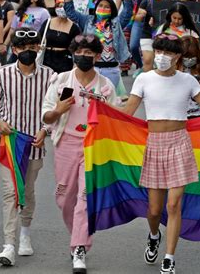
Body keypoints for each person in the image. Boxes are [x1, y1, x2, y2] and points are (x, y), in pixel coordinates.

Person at [117, 33, 200, 274]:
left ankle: (169, 257)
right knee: (153, 210)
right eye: (159, 51)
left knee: (173, 205)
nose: (162, 56)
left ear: (178, 56)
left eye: (169, 53)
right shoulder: (144, 79)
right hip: (155, 144)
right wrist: (100, 106)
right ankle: (153, 235)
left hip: (180, 143)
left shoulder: (187, 81)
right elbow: (127, 111)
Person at [41, 34, 118, 274]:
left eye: (89, 53)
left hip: (93, 146)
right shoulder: (62, 80)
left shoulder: (105, 86)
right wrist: (58, 110)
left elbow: (116, 117)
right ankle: (77, 235)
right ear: (73, 54)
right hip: (65, 143)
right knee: (65, 198)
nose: (83, 57)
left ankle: (79, 247)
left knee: (85, 198)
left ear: (97, 56)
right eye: (79, 52)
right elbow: (45, 116)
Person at [0, 28, 54, 266]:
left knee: (28, 190)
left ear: (38, 49)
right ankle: (8, 245)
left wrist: (46, 131)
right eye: (23, 47)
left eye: (32, 47)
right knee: (10, 192)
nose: (28, 52)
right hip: (11, 143)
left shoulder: (49, 75)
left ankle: (25, 231)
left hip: (34, 144)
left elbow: (54, 112)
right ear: (14, 50)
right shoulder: (3, 74)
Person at [64, 0, 133, 88]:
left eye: (107, 7)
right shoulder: (87, 20)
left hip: (111, 70)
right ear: (95, 8)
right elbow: (70, 12)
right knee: (90, 100)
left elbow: (128, 11)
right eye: (100, 5)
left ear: (112, 10)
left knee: (106, 100)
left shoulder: (116, 23)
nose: (103, 8)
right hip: (91, 68)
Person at [138, 0, 174, 72]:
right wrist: (141, 15)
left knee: (164, 63)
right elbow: (137, 17)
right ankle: (148, 84)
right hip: (148, 33)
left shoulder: (173, 0)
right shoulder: (147, 1)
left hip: (166, 35)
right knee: (147, 60)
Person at [39, 0, 81, 73]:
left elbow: (77, 48)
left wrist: (75, 65)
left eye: (64, 6)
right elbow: (39, 39)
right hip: (46, 59)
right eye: (59, 6)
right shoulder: (48, 22)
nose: (61, 8)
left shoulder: (74, 27)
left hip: (64, 61)